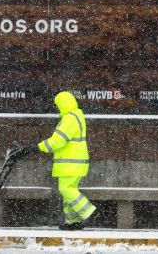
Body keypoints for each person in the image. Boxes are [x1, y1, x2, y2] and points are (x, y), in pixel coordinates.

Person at [22, 91, 98, 230]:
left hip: (70, 162)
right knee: (68, 190)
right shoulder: (77, 116)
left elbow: (58, 140)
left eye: (58, 105)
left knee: (65, 189)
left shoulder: (70, 118)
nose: (57, 108)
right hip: (75, 162)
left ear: (63, 104)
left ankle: (88, 211)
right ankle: (72, 220)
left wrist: (37, 147)